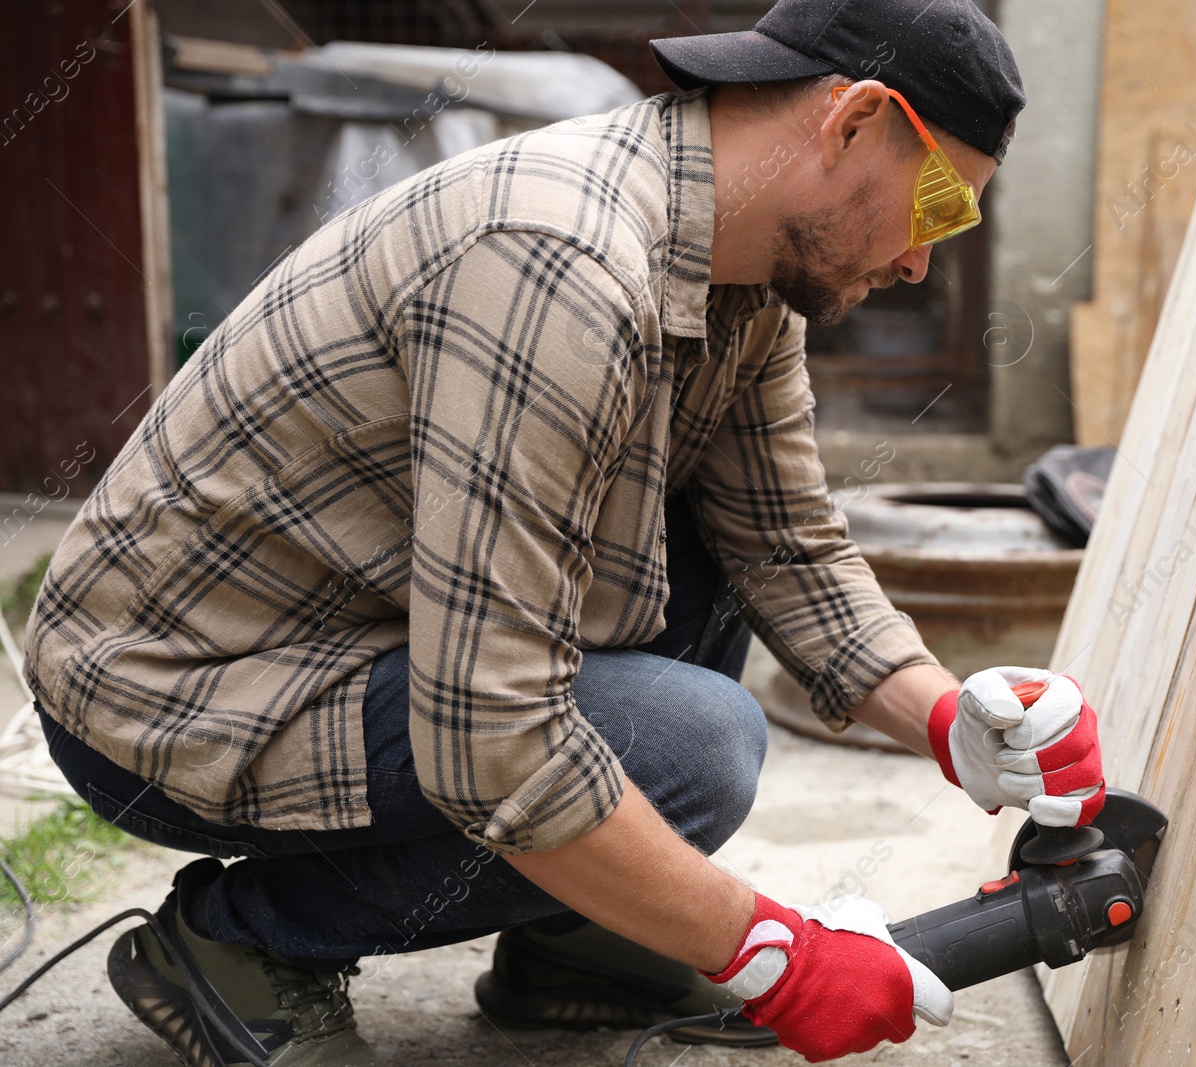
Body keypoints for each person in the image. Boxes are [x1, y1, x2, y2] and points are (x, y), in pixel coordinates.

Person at [22, 0, 1105, 1063]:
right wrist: (773, 952)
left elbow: (784, 547)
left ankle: (582, 940)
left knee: (708, 555)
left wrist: (944, 717)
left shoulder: (746, 276)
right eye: (938, 208)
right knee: (694, 745)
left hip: (362, 630)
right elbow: (496, 739)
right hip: (176, 689)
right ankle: (240, 942)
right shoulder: (560, 261)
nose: (922, 261)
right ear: (855, 120)